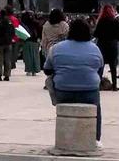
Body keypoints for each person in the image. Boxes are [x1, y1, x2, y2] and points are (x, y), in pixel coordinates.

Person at [43, 18, 104, 147]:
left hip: (63, 92)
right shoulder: (95, 49)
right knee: (97, 109)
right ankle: (96, 138)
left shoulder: (56, 48)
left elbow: (47, 70)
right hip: (89, 92)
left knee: (50, 80)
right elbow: (100, 68)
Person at [94, 5, 119, 91]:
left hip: (102, 45)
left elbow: (95, 34)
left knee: (100, 66)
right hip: (112, 45)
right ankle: (114, 86)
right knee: (113, 66)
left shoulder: (101, 21)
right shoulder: (116, 21)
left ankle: (98, 85)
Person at [0, 8, 15, 81]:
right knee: (7, 59)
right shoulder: (10, 23)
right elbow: (13, 33)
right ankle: (7, 75)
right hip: (8, 43)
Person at [21, 11, 41, 76]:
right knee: (35, 56)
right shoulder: (36, 23)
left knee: (27, 56)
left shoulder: (24, 23)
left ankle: (29, 70)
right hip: (35, 40)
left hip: (26, 40)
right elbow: (40, 31)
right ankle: (35, 70)